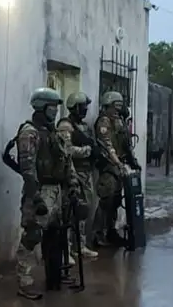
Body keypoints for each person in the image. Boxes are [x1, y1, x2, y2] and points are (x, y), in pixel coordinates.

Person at [14, 87, 79, 300]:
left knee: (55, 235)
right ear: (41, 107)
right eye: (52, 107)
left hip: (57, 190)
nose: (55, 111)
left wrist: (72, 186)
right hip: (40, 189)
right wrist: (36, 198)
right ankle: (24, 281)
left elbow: (66, 160)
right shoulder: (29, 132)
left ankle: (54, 276)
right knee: (33, 235)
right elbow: (27, 168)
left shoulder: (53, 132)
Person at [57, 92, 99, 259]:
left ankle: (79, 246)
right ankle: (66, 250)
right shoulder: (65, 126)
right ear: (74, 107)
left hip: (86, 173)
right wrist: (88, 151)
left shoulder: (83, 126)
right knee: (69, 212)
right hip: (73, 173)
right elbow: (67, 150)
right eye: (82, 107)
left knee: (83, 211)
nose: (85, 109)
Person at [93, 90, 129, 247]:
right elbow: (107, 146)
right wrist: (118, 163)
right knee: (106, 201)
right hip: (108, 166)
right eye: (115, 107)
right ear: (107, 106)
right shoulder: (104, 122)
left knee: (115, 201)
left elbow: (124, 142)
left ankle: (111, 231)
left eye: (119, 107)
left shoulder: (118, 122)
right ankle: (98, 234)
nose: (117, 110)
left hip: (118, 166)